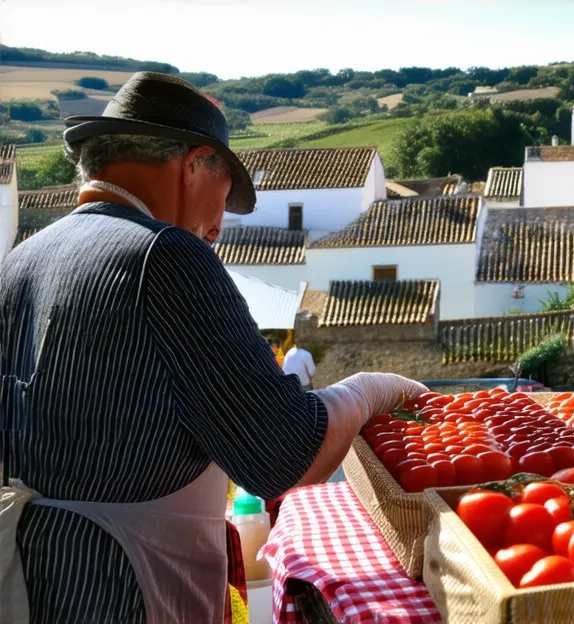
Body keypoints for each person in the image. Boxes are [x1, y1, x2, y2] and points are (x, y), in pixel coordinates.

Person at [0, 73, 426, 624]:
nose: (219, 228)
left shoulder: (20, 261)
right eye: (223, 198)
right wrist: (372, 390)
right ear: (194, 164)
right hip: (125, 590)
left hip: (27, 583)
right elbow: (283, 454)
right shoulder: (164, 256)